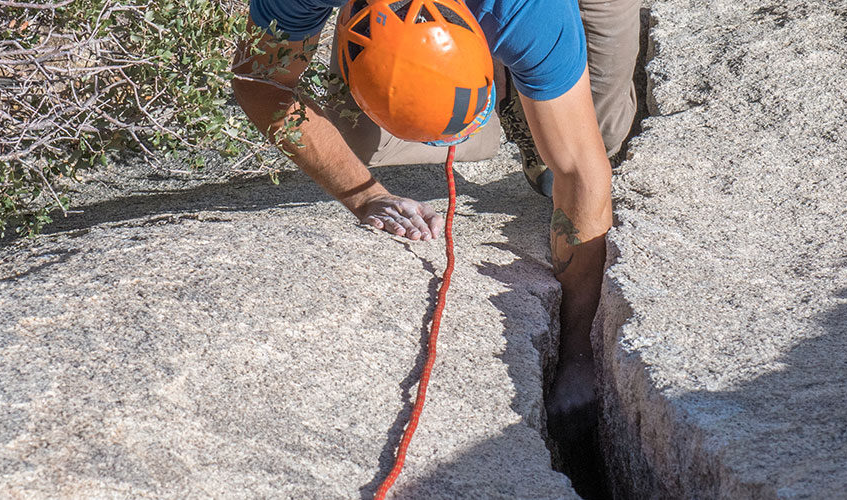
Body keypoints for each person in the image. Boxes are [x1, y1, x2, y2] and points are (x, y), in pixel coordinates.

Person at [231, 0, 639, 434]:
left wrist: (578, 354)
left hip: (531, 18)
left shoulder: (528, 11)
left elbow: (580, 172)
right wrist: (364, 194)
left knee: (599, 135)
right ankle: (508, 97)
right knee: (355, 138)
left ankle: (526, 86)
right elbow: (257, 81)